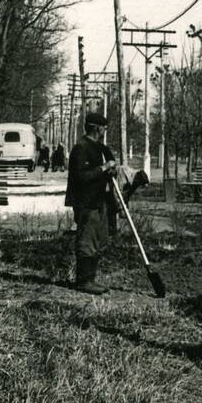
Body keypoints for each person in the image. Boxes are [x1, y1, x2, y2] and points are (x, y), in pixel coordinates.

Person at [65, 113, 117, 294]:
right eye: (103, 128)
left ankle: (90, 279)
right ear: (97, 128)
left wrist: (110, 171)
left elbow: (103, 172)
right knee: (87, 240)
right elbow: (81, 176)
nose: (104, 131)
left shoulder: (98, 148)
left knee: (98, 240)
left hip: (98, 199)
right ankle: (83, 281)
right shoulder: (81, 148)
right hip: (85, 201)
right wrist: (103, 168)